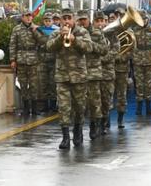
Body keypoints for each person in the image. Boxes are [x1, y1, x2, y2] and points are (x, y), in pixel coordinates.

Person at [46, 9, 92, 149]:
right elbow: (49, 47)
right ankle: (65, 137)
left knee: (79, 106)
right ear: (60, 20)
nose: (66, 21)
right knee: (63, 107)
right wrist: (60, 38)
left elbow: (89, 48)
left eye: (69, 18)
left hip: (79, 75)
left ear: (74, 19)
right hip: (62, 76)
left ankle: (78, 130)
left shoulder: (82, 32)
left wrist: (75, 40)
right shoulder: (56, 33)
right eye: (64, 18)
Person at [78, 10, 109, 140]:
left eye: (84, 19)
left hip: (93, 72)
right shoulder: (75, 33)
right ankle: (78, 129)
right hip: (78, 72)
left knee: (94, 102)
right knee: (79, 103)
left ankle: (94, 126)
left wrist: (90, 46)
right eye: (80, 20)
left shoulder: (97, 33)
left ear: (88, 19)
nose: (82, 22)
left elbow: (104, 50)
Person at [9, 10, 45, 116]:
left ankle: (34, 108)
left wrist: (35, 31)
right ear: (22, 17)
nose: (29, 18)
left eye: (30, 16)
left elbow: (43, 41)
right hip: (21, 59)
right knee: (23, 84)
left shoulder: (36, 28)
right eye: (26, 16)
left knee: (34, 85)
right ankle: (25, 108)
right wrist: (13, 60)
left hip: (33, 59)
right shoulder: (17, 29)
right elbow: (12, 44)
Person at [133, 10, 151, 115]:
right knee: (139, 84)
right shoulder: (134, 29)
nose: (142, 21)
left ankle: (148, 107)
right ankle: (139, 107)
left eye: (144, 19)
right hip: (138, 59)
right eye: (140, 19)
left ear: (147, 19)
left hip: (149, 59)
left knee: (148, 84)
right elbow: (132, 44)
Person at [96, 11, 117, 134]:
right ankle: (97, 124)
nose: (100, 24)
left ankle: (105, 122)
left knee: (106, 99)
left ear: (106, 21)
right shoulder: (91, 34)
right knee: (95, 100)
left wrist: (102, 58)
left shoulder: (111, 34)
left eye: (102, 21)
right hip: (93, 72)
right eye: (98, 21)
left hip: (107, 72)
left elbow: (115, 49)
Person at [112, 9, 131, 129]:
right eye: (117, 15)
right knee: (107, 95)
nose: (119, 17)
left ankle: (120, 118)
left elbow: (132, 50)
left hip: (122, 68)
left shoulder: (129, 32)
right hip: (109, 68)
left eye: (121, 15)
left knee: (121, 95)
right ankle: (105, 120)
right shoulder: (110, 30)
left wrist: (119, 57)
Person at [37, 12, 59, 113]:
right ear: (43, 21)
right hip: (42, 61)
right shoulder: (39, 31)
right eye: (46, 21)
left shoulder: (56, 31)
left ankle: (53, 105)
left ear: (52, 21)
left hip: (53, 61)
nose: (47, 22)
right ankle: (45, 106)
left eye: (49, 21)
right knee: (43, 83)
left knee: (53, 83)